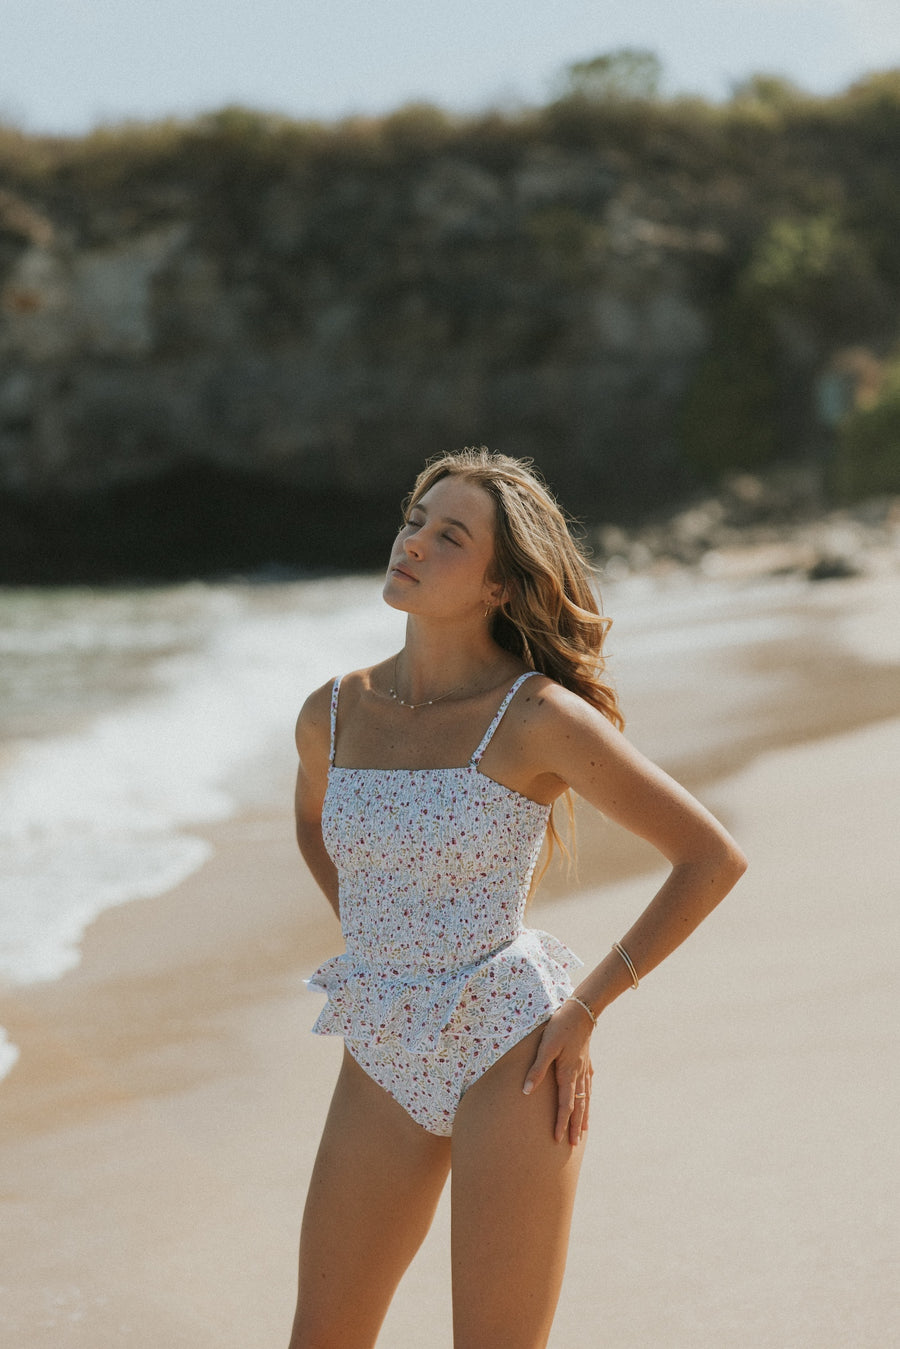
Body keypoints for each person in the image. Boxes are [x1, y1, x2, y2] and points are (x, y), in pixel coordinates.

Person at [288, 448, 747, 1349]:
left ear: (501, 586)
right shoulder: (333, 712)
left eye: (449, 534)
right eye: (415, 518)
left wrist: (587, 1007)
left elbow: (709, 856)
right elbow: (314, 821)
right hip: (382, 1039)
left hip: (515, 1046)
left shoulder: (534, 716)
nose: (413, 541)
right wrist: (377, 934)